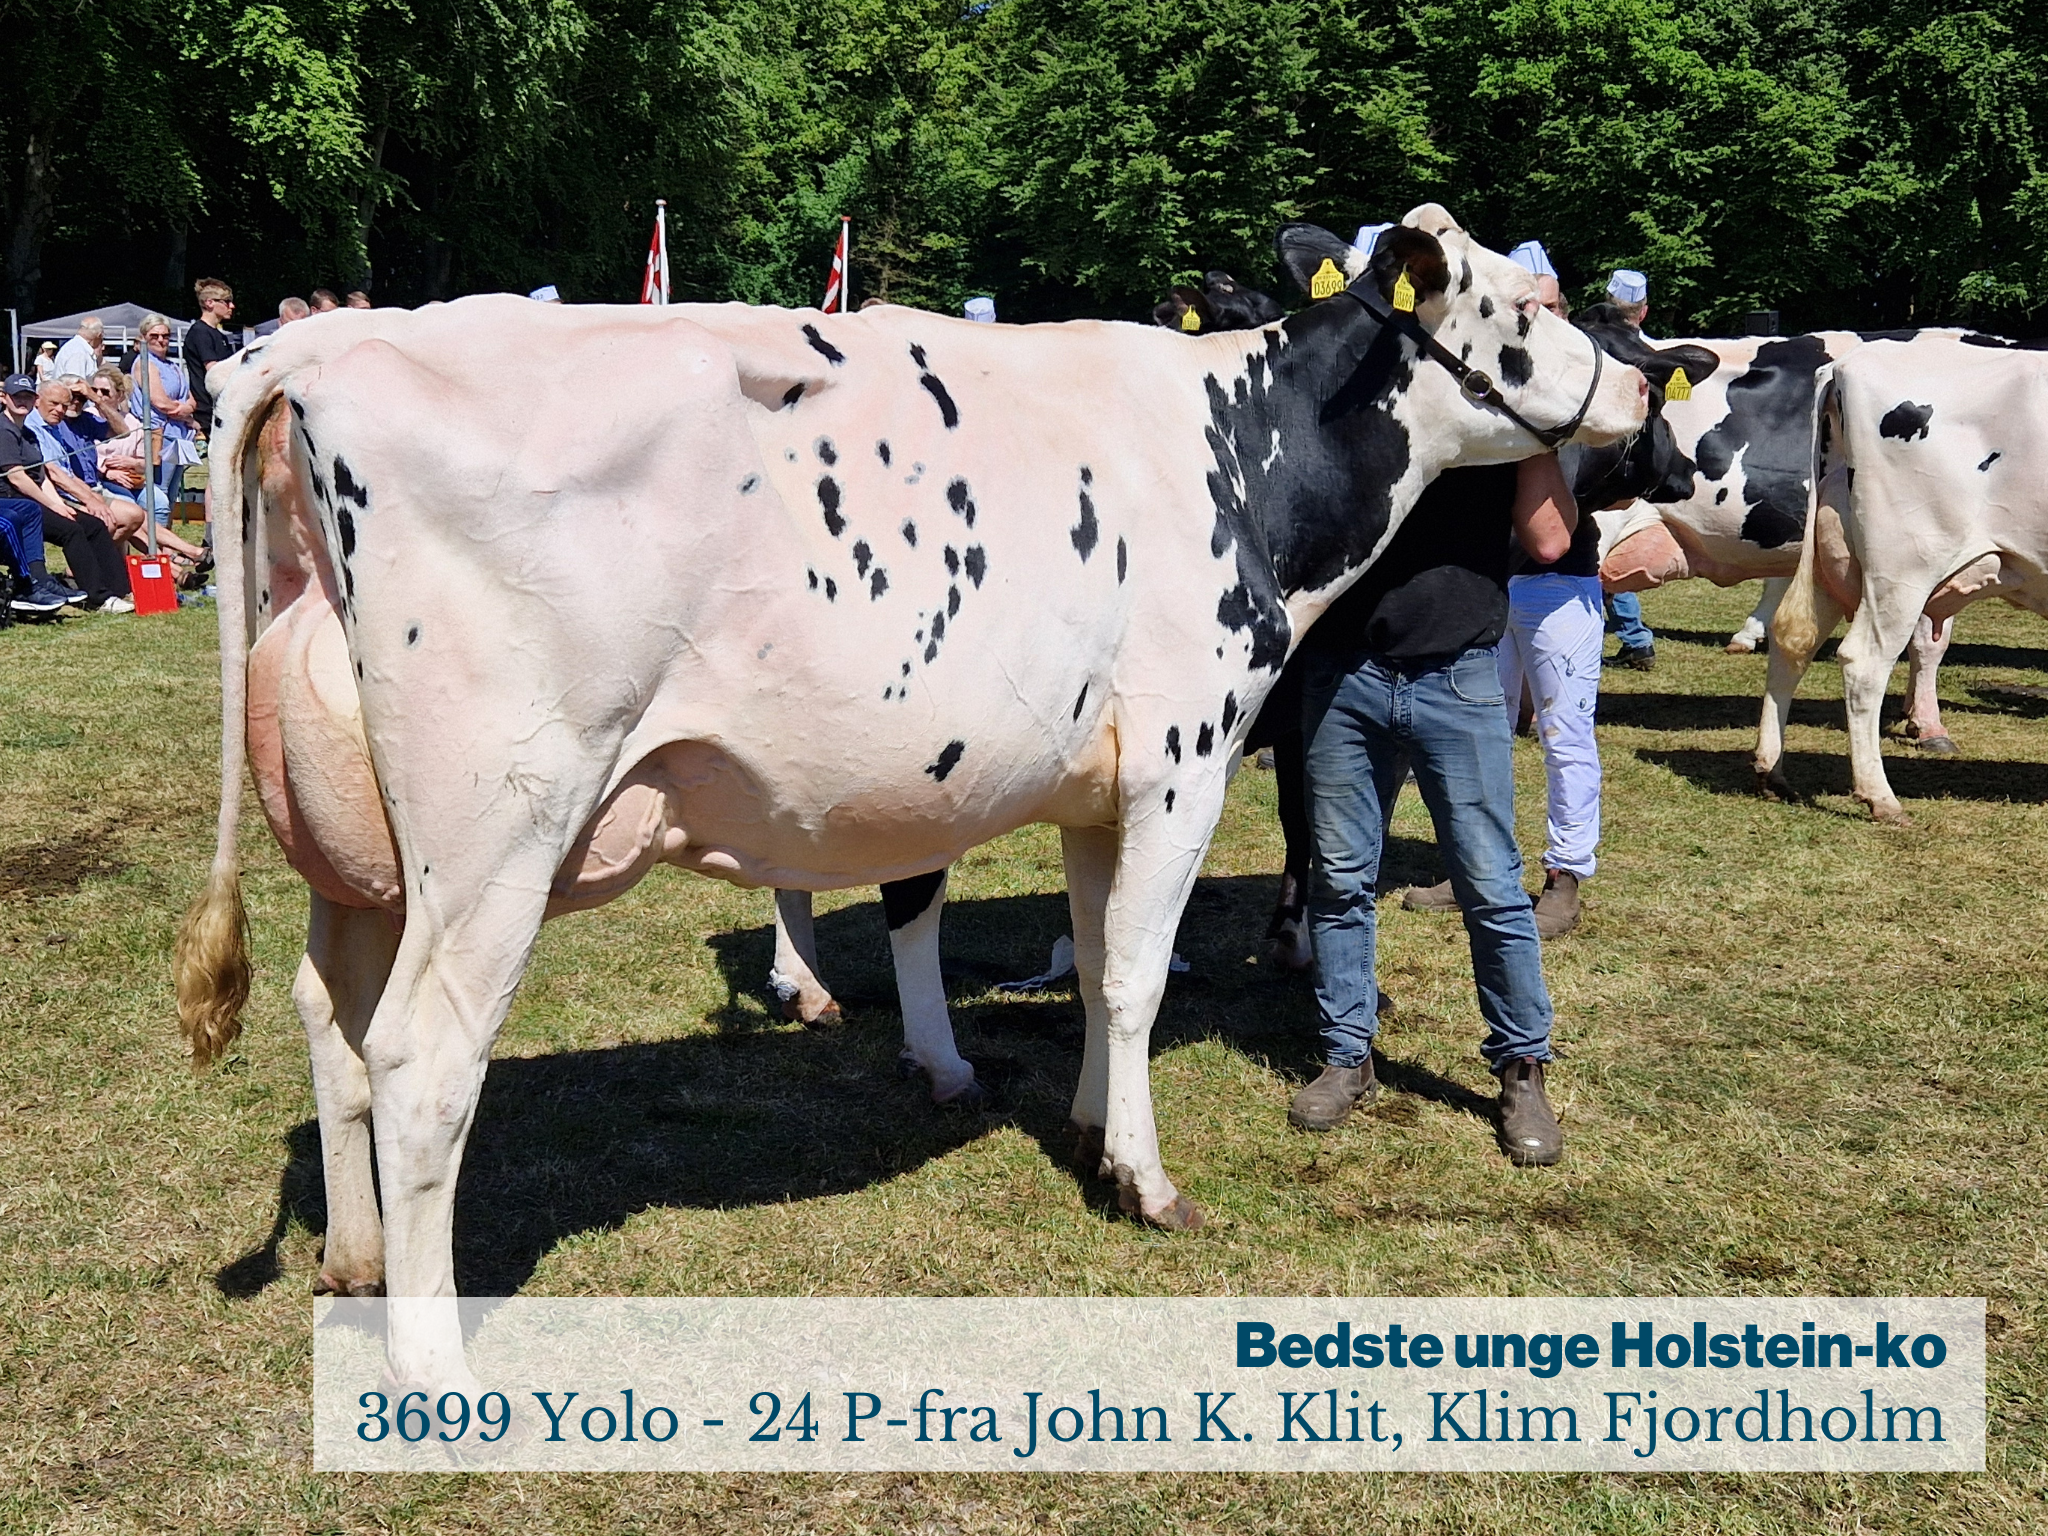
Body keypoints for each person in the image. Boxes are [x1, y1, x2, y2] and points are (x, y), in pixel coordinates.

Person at [1290, 456, 1576, 1166]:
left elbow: (1549, 542)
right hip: (1341, 671)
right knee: (1340, 878)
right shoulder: (1354, 403)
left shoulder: (1496, 422)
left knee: (1491, 886)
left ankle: (1521, 1071)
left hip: (1458, 674)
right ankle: (1346, 1057)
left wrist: (1535, 441)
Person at [1402, 241, 1600, 939]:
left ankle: (1566, 874)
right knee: (1484, 733)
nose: (1532, 323)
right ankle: (1478, 866)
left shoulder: (1570, 391)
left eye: (1545, 310)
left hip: (1557, 581)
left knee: (1563, 730)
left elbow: (1570, 511)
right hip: (1491, 581)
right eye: (1526, 310)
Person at [25, 380, 208, 565]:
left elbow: (123, 433)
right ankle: (172, 562)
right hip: (91, 485)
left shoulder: (87, 419)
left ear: (119, 395)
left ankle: (173, 558)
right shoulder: (54, 424)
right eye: (66, 400)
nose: (73, 403)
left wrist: (95, 398)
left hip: (105, 483)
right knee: (128, 515)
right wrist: (104, 477)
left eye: (79, 398)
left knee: (156, 504)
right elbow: (58, 473)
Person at [0, 373, 133, 611]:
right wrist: (54, 506)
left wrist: (60, 505)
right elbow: (17, 478)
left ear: (34, 399)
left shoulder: (28, 434)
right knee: (70, 531)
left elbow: (41, 477)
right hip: (13, 503)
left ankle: (120, 591)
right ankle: (98, 598)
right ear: (5, 398)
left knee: (92, 525)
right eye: (17, 397)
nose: (23, 402)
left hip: (34, 500)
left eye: (27, 397)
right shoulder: (4, 430)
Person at [128, 314, 200, 506]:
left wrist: (187, 408)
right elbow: (160, 402)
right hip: (159, 435)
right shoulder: (144, 363)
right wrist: (187, 414)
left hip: (179, 435)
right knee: (160, 492)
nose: (161, 340)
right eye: (154, 336)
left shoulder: (173, 365)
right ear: (143, 337)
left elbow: (192, 399)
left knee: (172, 491)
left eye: (165, 336)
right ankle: (155, 533)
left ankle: (166, 531)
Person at [184, 277, 242, 435]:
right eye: (226, 301)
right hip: (206, 411)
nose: (232, 306)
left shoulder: (219, 335)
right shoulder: (200, 332)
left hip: (221, 406)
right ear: (209, 303)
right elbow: (214, 370)